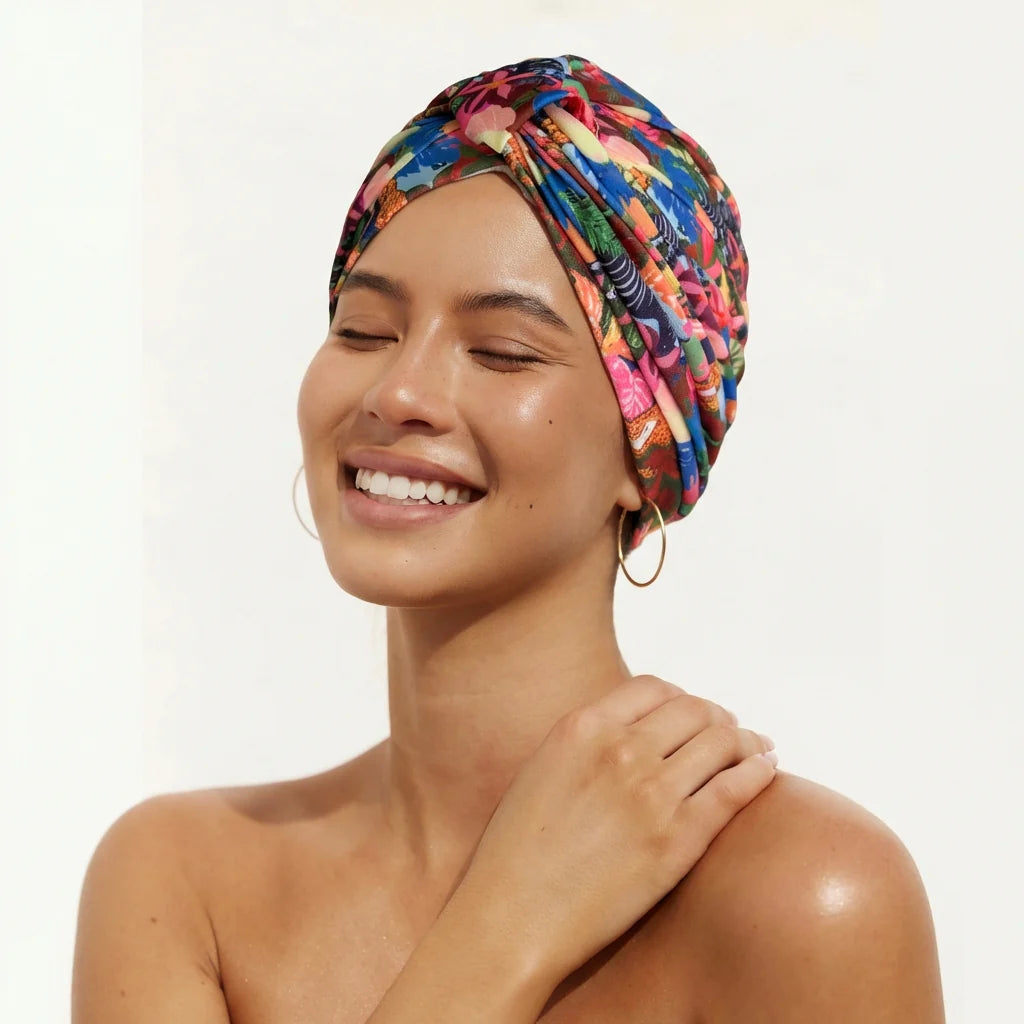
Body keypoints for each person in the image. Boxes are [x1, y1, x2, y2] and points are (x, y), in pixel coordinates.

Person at [72, 55, 945, 1022]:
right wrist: (509, 924)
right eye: (363, 331)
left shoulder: (811, 899)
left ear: (647, 450)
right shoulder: (180, 883)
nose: (398, 392)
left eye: (502, 352)